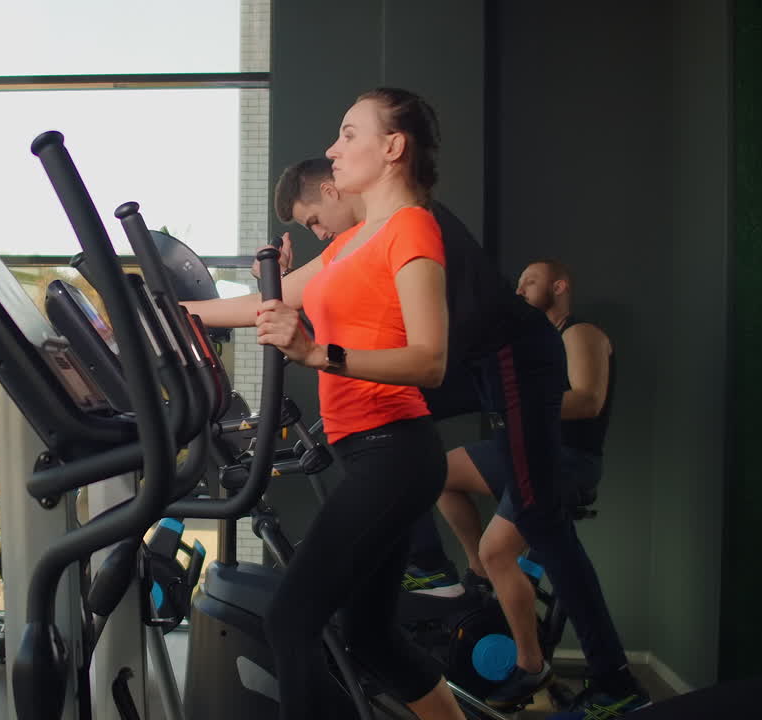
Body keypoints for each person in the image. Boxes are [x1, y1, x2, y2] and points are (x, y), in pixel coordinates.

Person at [269, 160, 650, 716]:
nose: (520, 285)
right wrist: (278, 285)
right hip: (501, 413)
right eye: (518, 280)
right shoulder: (368, 245)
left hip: (567, 455)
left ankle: (611, 677)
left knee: (532, 526)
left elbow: (587, 400)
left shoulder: (579, 333)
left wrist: (510, 404)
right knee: (428, 469)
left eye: (532, 280)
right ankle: (441, 569)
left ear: (560, 286)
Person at [184, 87, 466, 720]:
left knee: (290, 618)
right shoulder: (351, 243)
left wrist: (319, 355)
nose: (333, 150)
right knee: (371, 637)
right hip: (369, 454)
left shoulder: (413, 228)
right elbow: (264, 304)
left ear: (393, 147)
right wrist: (169, 313)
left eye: (347, 134)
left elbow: (431, 359)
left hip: (397, 451)